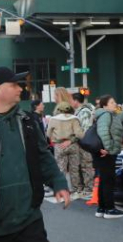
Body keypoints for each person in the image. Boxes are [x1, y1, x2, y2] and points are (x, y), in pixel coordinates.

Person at [0, 67, 70, 242]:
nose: (20, 88)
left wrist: (58, 182)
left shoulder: (27, 121)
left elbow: (43, 156)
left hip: (29, 219)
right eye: (14, 84)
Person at [94, 94, 123, 219]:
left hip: (107, 153)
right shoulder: (106, 115)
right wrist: (108, 149)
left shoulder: (113, 115)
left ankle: (102, 208)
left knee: (104, 180)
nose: (115, 104)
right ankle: (109, 209)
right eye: (112, 102)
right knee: (108, 181)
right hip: (107, 153)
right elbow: (103, 132)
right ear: (105, 105)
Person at [46, 102, 86, 197]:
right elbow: (80, 135)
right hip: (73, 145)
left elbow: (48, 134)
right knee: (74, 169)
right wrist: (71, 140)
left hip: (59, 146)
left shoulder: (53, 119)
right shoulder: (74, 119)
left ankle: (62, 190)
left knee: (61, 169)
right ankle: (76, 190)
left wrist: (55, 140)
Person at [70, 92, 96, 199]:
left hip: (84, 143)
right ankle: (85, 188)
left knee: (86, 166)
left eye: (71, 100)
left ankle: (89, 189)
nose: (70, 102)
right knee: (82, 166)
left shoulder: (84, 112)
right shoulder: (79, 112)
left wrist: (74, 138)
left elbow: (85, 129)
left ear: (76, 100)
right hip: (81, 143)